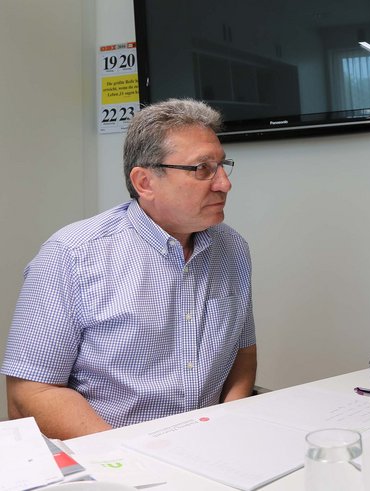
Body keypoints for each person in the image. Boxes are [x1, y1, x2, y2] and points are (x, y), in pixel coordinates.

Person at [2, 99, 257, 438]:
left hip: (207, 449)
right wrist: (131, 458)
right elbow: (29, 394)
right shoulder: (71, 255)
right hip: (109, 457)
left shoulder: (233, 249)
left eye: (223, 166)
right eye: (202, 169)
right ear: (145, 182)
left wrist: (227, 427)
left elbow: (243, 353)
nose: (224, 183)